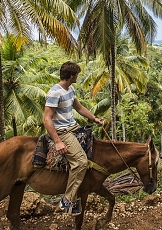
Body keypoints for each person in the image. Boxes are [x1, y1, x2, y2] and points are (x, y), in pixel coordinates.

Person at [43, 61, 103, 216]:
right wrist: (58, 141)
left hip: (73, 127)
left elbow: (79, 108)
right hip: (62, 131)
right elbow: (47, 119)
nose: (77, 77)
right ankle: (67, 200)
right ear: (71, 75)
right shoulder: (55, 93)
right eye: (76, 75)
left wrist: (94, 118)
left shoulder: (70, 89)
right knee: (81, 162)